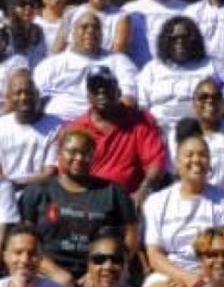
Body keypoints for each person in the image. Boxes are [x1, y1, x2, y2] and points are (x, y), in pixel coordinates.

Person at [19, 128, 139, 287]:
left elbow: (131, 234)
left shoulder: (114, 192)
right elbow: (25, 240)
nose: (79, 158)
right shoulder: (37, 191)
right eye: (72, 152)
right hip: (45, 275)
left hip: (101, 275)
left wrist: (101, 270)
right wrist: (54, 272)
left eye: (86, 153)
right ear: (59, 153)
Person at [141, 135, 224, 287]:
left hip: (217, 270)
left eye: (202, 155)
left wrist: (202, 278)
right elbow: (154, 254)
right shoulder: (157, 201)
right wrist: (185, 278)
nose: (196, 160)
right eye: (189, 155)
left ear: (210, 163)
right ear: (176, 163)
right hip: (171, 272)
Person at [70, 65, 168, 201]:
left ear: (119, 91)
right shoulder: (77, 129)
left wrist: (143, 191)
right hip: (88, 200)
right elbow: (67, 171)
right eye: (95, 88)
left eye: (107, 87)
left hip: (128, 200)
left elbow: (155, 164)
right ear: (88, 96)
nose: (101, 93)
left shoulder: (140, 121)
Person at [37, 10, 140, 121]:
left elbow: (128, 98)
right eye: (84, 27)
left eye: (96, 27)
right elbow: (35, 98)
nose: (90, 31)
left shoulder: (119, 61)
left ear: (102, 34)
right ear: (72, 32)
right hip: (57, 122)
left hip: (103, 122)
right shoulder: (51, 64)